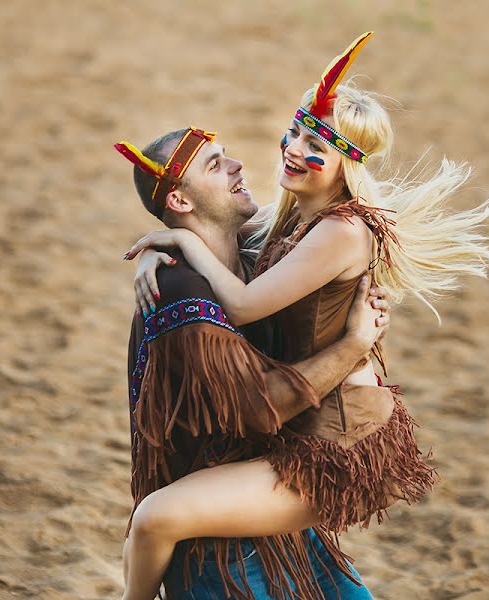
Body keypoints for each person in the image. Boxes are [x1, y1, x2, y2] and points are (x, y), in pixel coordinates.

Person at [122, 31, 489, 600]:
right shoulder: (291, 213)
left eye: (317, 144)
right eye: (296, 131)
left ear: (347, 163)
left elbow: (240, 299)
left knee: (157, 518)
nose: (295, 149)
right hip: (300, 419)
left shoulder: (341, 232)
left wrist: (183, 246)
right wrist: (157, 248)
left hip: (335, 438)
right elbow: (214, 226)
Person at [116, 125, 390, 599]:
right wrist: (353, 345)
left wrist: (168, 240)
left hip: (269, 501)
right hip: (221, 544)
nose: (237, 165)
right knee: (154, 519)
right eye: (215, 164)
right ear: (181, 201)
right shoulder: (183, 290)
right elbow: (258, 410)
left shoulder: (252, 256)